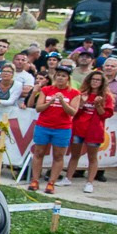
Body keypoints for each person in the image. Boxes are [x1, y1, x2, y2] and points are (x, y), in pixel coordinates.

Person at [26, 64, 79, 193]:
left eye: (63, 76)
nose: (60, 78)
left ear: (68, 78)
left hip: (62, 128)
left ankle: (51, 182)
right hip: (43, 125)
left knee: (58, 155)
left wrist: (62, 102)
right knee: (38, 152)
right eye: (58, 75)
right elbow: (38, 108)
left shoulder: (74, 93)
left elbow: (72, 112)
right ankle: (35, 180)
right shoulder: (46, 90)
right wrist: (50, 102)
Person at [71, 69, 115, 194]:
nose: (95, 82)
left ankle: (89, 182)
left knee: (92, 157)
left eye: (98, 80)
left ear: (102, 83)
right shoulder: (82, 94)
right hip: (79, 128)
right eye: (93, 79)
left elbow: (105, 115)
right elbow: (75, 112)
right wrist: (82, 103)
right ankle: (68, 178)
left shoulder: (107, 97)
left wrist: (98, 105)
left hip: (95, 130)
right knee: (75, 155)